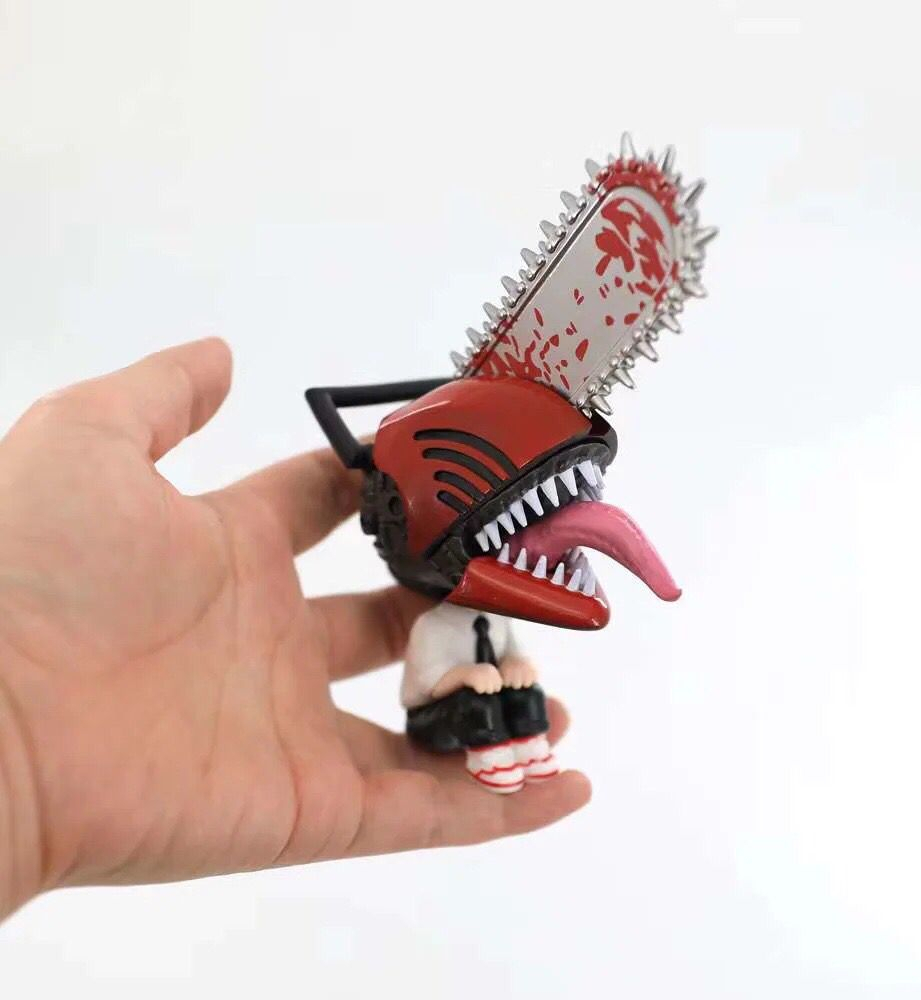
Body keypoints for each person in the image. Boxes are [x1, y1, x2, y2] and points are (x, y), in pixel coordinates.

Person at [0, 338, 591, 922]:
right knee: (480, 708)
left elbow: (514, 658)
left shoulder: (487, 616)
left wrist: (515, 667)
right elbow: (424, 686)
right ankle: (494, 760)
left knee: (525, 697)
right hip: (441, 719)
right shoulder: (434, 628)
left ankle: (530, 753)